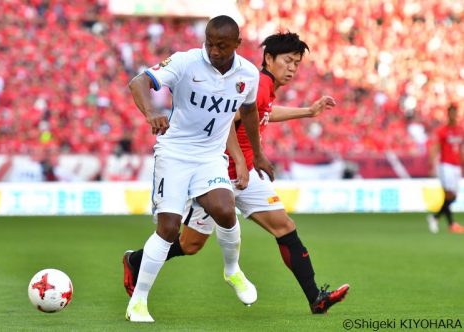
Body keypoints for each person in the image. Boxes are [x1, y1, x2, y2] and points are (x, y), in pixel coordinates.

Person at [124, 32, 349, 314]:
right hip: (222, 172)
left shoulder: (262, 86)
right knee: (189, 244)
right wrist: (243, 160)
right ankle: (136, 261)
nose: (292, 68)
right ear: (268, 58)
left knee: (284, 226)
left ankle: (316, 298)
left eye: (296, 63)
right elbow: (228, 119)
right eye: (288, 61)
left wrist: (307, 112)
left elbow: (262, 113)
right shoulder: (257, 80)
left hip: (245, 174)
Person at [125, 15, 274, 322]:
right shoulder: (185, 62)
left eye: (222, 45)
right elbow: (138, 81)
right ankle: (138, 302)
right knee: (168, 229)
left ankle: (232, 271)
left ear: (237, 44)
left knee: (224, 208)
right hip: (175, 153)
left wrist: (257, 154)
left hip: (209, 156)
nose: (214, 51)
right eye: (209, 43)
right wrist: (152, 111)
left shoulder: (247, 74)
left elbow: (247, 114)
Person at [427, 104, 464, 234]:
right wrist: (432, 164)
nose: (454, 116)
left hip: (456, 166)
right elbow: (436, 147)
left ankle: (435, 217)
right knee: (449, 194)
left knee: (453, 197)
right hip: (446, 165)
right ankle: (451, 224)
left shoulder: (460, 130)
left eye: (455, 113)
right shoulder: (442, 130)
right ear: (448, 114)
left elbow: (460, 149)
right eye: (451, 113)